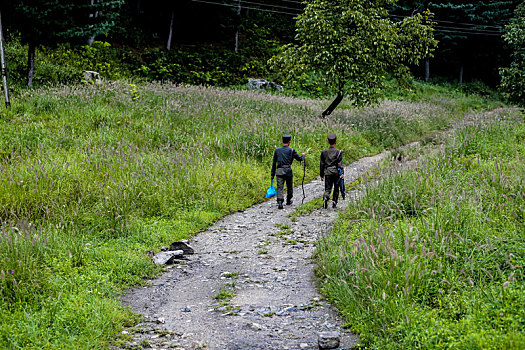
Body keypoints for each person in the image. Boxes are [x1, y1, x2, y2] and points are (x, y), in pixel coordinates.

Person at [271, 134, 305, 209]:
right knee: (289, 187)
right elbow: (299, 159)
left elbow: (274, 162)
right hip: (288, 171)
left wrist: (272, 174)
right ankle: (288, 200)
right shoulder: (292, 150)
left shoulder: (277, 150)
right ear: (289, 142)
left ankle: (280, 201)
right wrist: (303, 156)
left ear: (282, 141)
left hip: (279, 171)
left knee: (280, 187)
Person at [320, 133, 344, 209]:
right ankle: (334, 202)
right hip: (336, 172)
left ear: (328, 142)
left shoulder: (324, 152)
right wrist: (342, 173)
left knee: (327, 188)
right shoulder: (338, 152)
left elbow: (322, 164)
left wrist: (321, 174)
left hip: (327, 172)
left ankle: (325, 198)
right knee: (336, 188)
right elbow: (340, 164)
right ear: (335, 142)